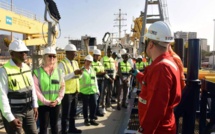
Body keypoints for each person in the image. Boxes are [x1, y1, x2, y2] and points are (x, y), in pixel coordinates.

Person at [131, 21, 181, 134]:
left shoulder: (161, 68)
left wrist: (143, 131)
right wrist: (138, 74)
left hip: (157, 129)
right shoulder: (168, 62)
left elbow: (156, 109)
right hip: (162, 125)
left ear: (151, 44)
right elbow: (149, 82)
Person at [0, 39, 38, 134]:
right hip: (14, 112)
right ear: (12, 54)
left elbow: (32, 87)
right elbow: (2, 96)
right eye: (20, 52)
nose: (24, 54)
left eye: (25, 51)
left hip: (29, 110)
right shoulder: (4, 71)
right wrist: (10, 117)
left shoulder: (26, 67)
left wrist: (35, 105)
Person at [33, 46, 65, 134]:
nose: (52, 58)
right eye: (49, 56)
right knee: (43, 126)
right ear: (44, 57)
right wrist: (46, 101)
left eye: (54, 56)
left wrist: (58, 100)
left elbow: (62, 87)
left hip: (56, 103)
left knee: (55, 125)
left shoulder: (59, 71)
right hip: (43, 105)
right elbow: (36, 90)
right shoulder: (37, 72)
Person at [58, 44, 82, 134]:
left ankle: (72, 128)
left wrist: (80, 73)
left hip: (75, 91)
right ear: (67, 53)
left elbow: (78, 75)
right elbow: (62, 78)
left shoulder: (75, 63)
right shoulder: (62, 64)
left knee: (73, 113)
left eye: (75, 53)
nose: (75, 55)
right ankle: (64, 131)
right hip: (67, 92)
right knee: (65, 114)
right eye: (73, 53)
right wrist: (74, 73)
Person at [79, 55, 100, 126]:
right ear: (85, 61)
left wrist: (97, 90)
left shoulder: (93, 70)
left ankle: (92, 119)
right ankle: (86, 119)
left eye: (90, 62)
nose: (89, 63)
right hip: (84, 91)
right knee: (85, 106)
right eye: (87, 61)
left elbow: (95, 81)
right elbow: (78, 80)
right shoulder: (81, 70)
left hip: (93, 91)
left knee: (94, 105)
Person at [100, 46, 116, 112]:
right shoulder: (103, 59)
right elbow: (102, 70)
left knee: (110, 92)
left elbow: (114, 69)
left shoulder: (113, 60)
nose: (110, 52)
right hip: (106, 78)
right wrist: (108, 78)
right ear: (107, 52)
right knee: (104, 92)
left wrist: (114, 77)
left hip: (112, 79)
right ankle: (103, 107)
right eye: (109, 51)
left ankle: (109, 105)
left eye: (111, 51)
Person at [91, 49, 105, 117]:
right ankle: (93, 113)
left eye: (99, 56)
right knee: (94, 99)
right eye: (97, 56)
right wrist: (98, 73)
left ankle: (97, 111)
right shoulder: (91, 63)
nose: (98, 57)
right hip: (94, 84)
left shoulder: (100, 63)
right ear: (93, 56)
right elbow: (91, 73)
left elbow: (103, 71)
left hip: (101, 82)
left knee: (99, 98)